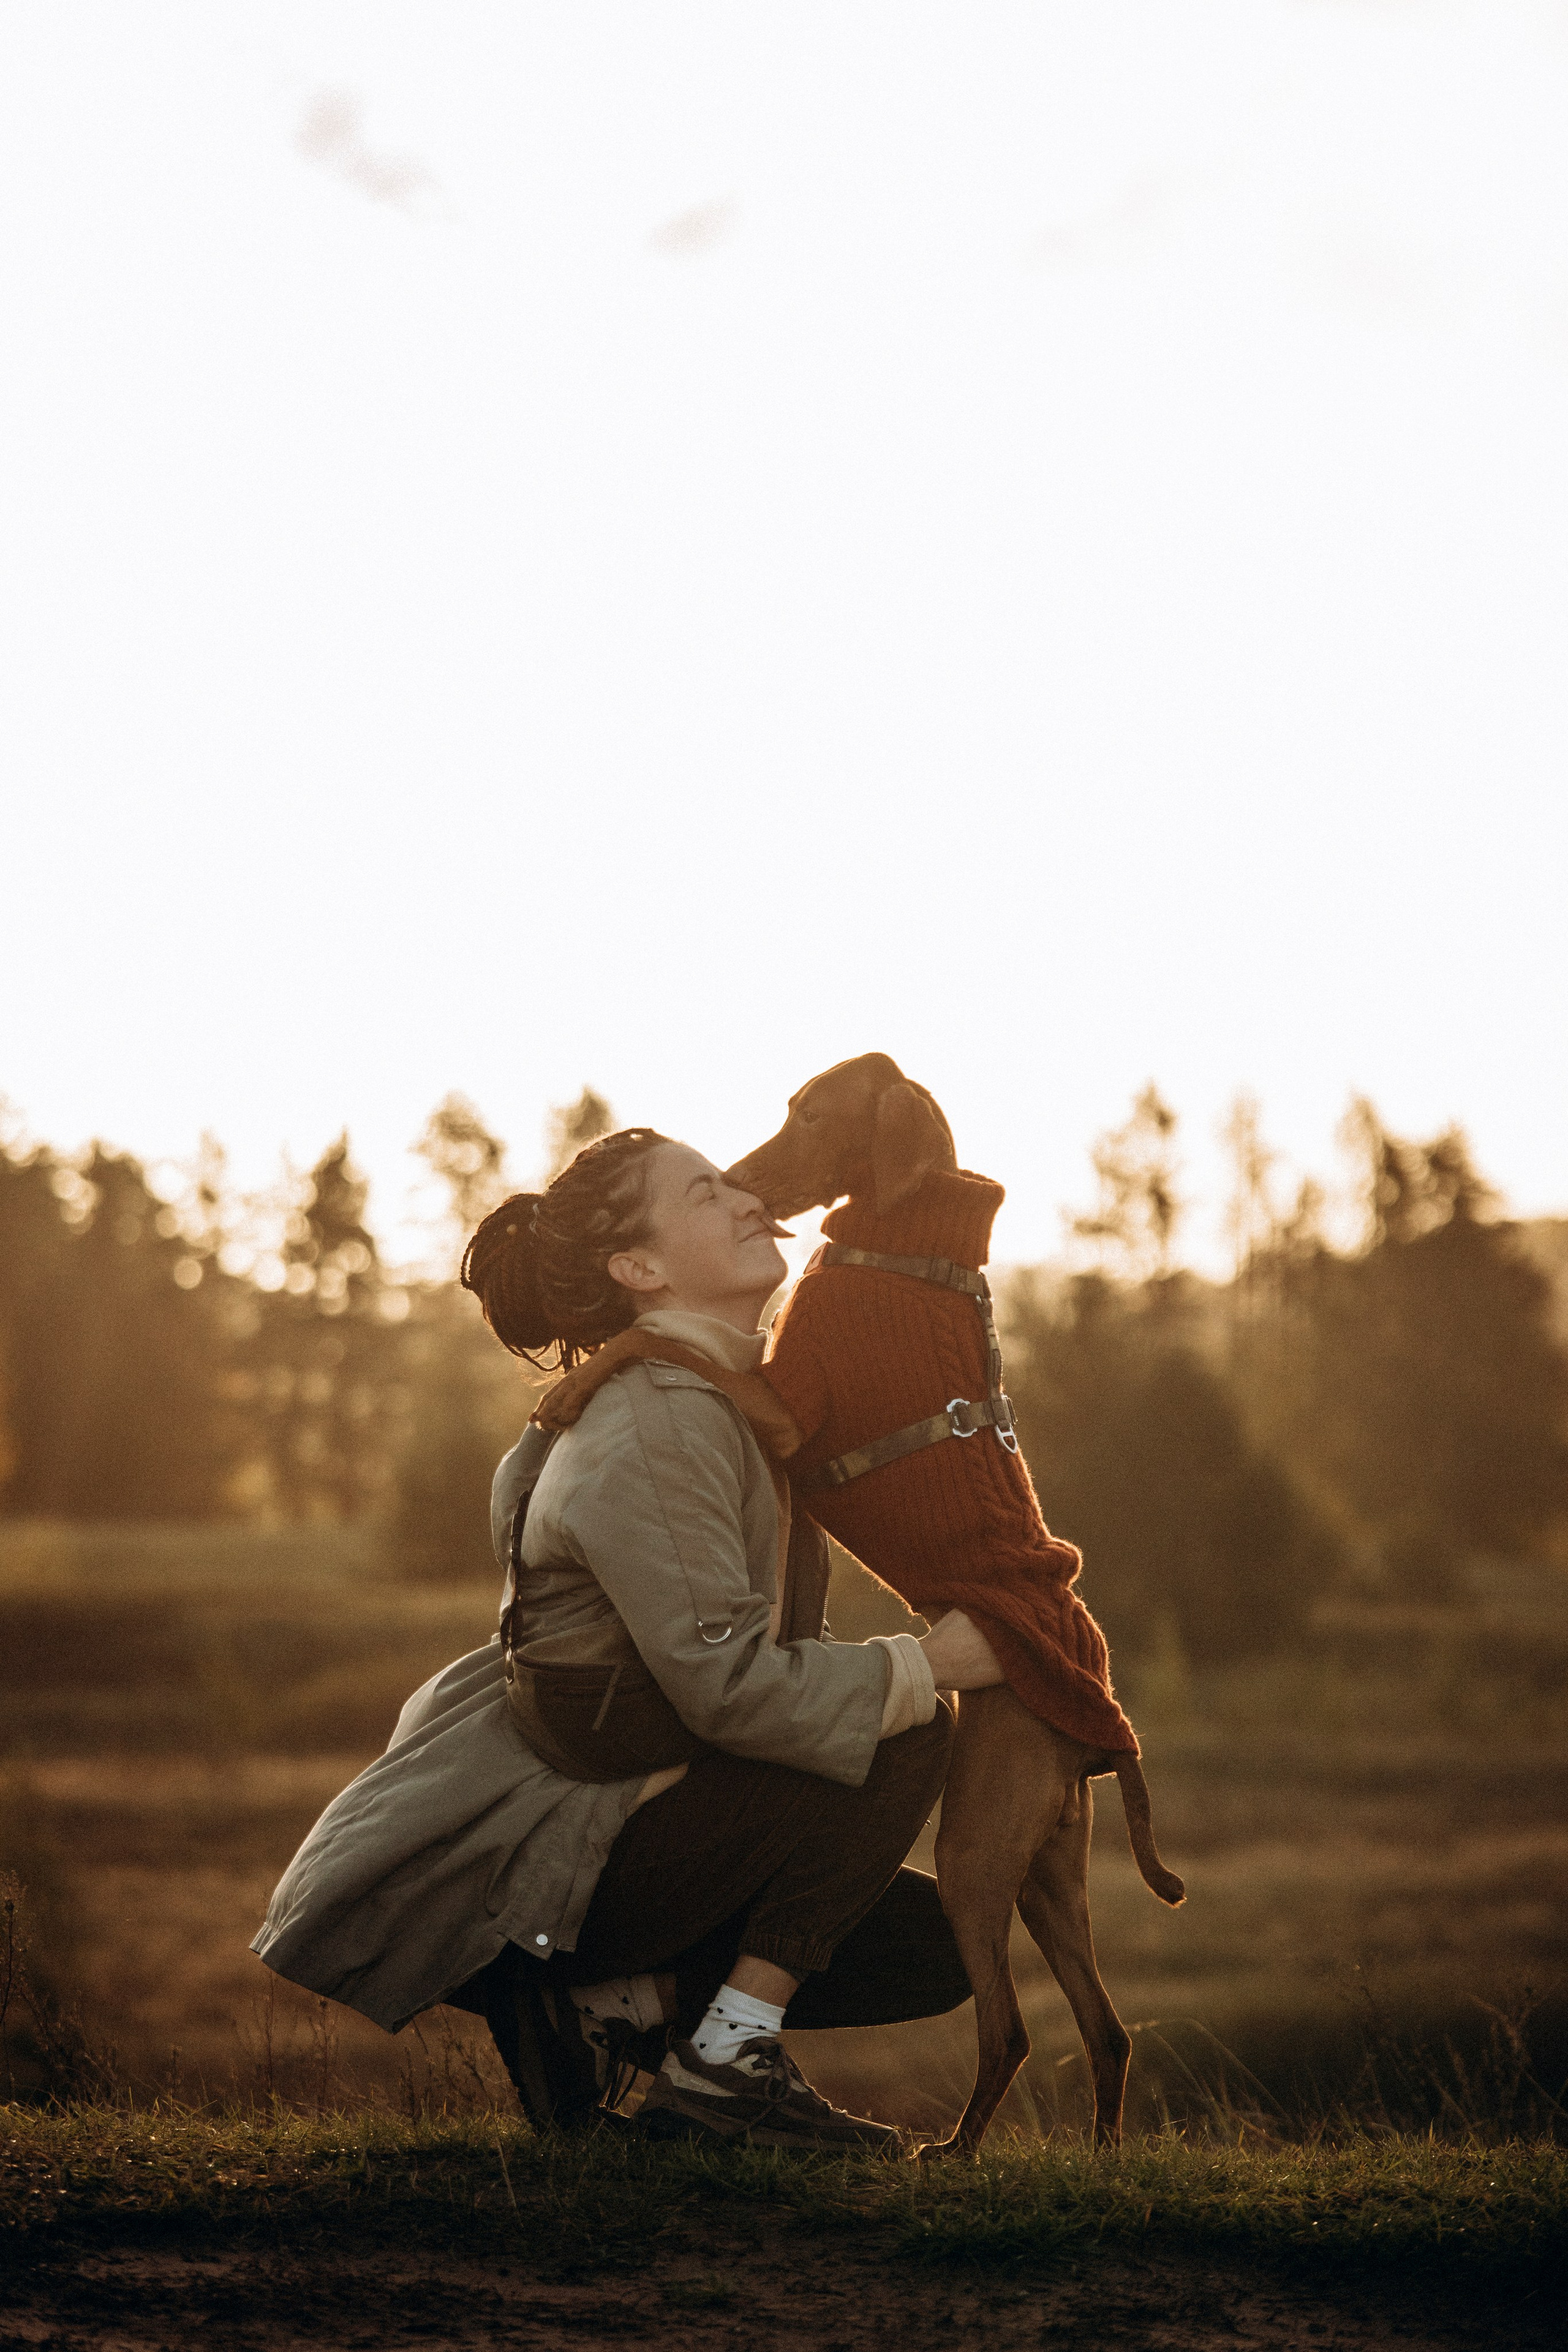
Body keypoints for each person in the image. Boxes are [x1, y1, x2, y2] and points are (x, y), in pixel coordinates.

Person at [254, 1126, 1003, 2150]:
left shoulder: (715, 1400)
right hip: (553, 1859)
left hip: (636, 1808)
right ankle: (721, 2064)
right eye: (705, 1194)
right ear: (639, 1270)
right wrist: (935, 1663)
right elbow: (728, 1687)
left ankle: (612, 2009)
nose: (749, 1198)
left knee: (931, 1945)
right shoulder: (661, 1423)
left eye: (731, 1184)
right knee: (907, 1729)